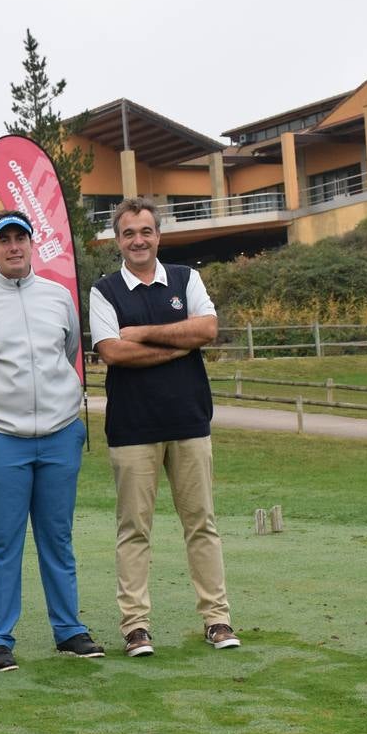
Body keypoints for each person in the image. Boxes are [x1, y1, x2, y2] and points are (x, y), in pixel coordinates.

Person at [0, 210, 104, 671]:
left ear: (32, 244)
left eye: (21, 238)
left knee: (58, 537)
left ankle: (69, 629)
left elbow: (70, 352)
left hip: (59, 436)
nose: (14, 247)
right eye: (4, 240)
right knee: (2, 541)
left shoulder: (58, 298)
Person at [88, 197, 240, 656]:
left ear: (158, 235)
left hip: (189, 421)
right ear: (118, 240)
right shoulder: (104, 289)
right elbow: (113, 353)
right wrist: (178, 341)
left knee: (202, 524)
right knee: (134, 530)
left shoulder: (186, 278)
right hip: (133, 428)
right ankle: (135, 627)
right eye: (129, 233)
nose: (138, 240)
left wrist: (142, 332)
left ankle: (217, 620)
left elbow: (208, 330)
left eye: (146, 231)